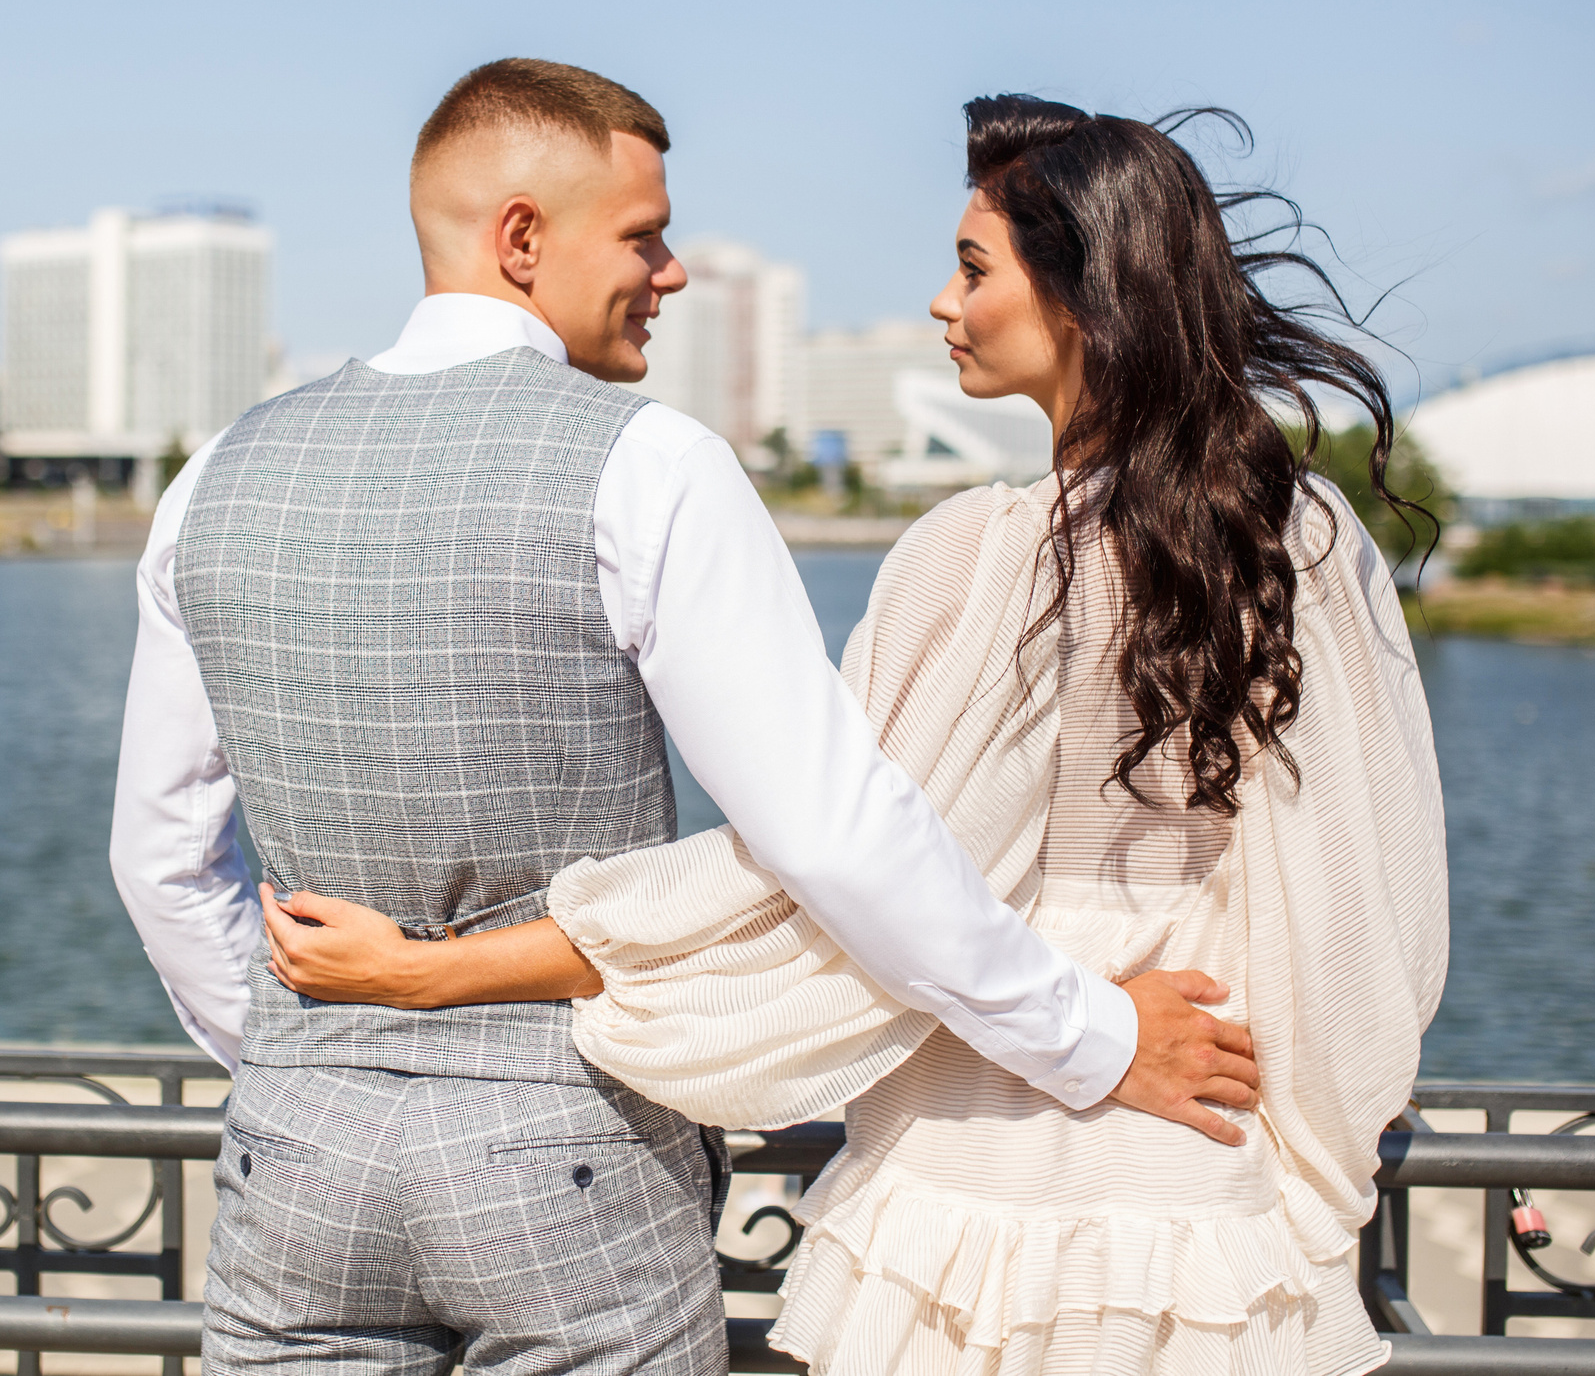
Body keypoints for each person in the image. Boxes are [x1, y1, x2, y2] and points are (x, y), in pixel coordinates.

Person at [262, 96, 1451, 1375]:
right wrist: (1317, 1168)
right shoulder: (1303, 540)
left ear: (1087, 300)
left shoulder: (978, 555)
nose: (943, 304)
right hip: (1207, 1174)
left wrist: (435, 969)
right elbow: (1364, 914)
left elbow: (807, 877)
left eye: (972, 267)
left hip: (972, 1172)